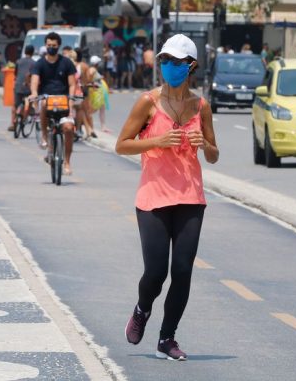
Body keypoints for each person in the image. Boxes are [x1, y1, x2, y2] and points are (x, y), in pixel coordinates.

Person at [115, 34, 219, 361]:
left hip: (190, 196)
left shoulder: (201, 106)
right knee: (157, 271)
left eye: (176, 62)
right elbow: (122, 144)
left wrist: (206, 145)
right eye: (164, 61)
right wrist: (157, 140)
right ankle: (143, 308)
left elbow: (214, 156)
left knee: (183, 271)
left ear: (191, 66)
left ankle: (167, 338)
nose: (169, 67)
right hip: (153, 197)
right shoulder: (148, 102)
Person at [30, 32, 77, 175]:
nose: (51, 48)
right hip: (47, 100)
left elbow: (72, 84)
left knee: (68, 129)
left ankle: (67, 163)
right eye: (49, 45)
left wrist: (72, 100)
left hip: (63, 102)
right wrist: (34, 93)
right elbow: (34, 82)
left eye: (54, 46)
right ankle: (44, 136)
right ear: (45, 45)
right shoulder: (39, 64)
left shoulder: (67, 63)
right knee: (43, 104)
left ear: (59, 46)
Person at [10, 45, 35, 131]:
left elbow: (16, 73)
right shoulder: (34, 63)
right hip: (28, 87)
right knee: (29, 102)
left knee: (15, 105)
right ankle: (25, 117)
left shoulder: (18, 61)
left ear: (25, 52)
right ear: (33, 53)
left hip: (18, 86)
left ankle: (13, 123)